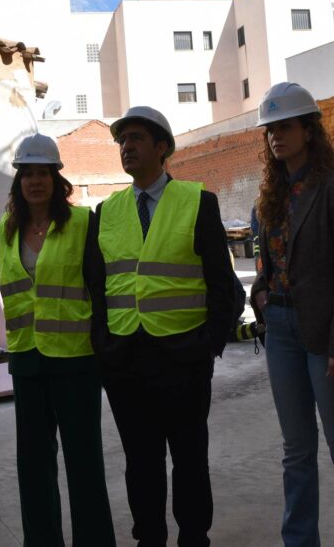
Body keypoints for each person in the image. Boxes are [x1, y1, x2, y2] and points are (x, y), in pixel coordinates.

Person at [92, 106, 236, 547]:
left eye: (135, 138)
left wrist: (209, 344)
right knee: (141, 462)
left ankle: (195, 537)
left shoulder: (197, 201)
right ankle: (148, 539)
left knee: (190, 460)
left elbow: (223, 285)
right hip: (125, 362)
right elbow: (96, 289)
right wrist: (104, 348)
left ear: (162, 148)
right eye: (121, 142)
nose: (127, 147)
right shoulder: (106, 211)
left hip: (183, 359)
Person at [250, 82, 334, 546]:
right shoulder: (270, 195)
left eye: (284, 126)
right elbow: (268, 259)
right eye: (270, 129)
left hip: (326, 334)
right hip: (280, 329)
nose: (275, 136)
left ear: (308, 130)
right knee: (296, 450)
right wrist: (261, 294)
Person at [0, 133, 116, 546]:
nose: (35, 181)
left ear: (56, 178)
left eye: (42, 172)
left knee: (84, 463)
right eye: (27, 173)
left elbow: (99, 290)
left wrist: (103, 348)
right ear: (18, 180)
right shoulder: (6, 228)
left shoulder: (83, 223)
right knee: (33, 466)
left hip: (76, 360)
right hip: (27, 361)